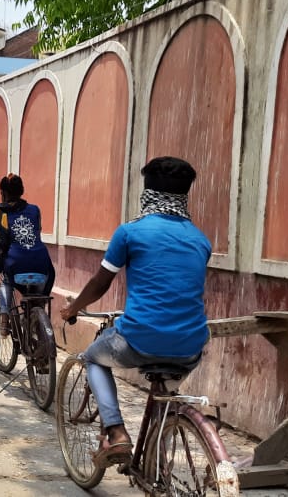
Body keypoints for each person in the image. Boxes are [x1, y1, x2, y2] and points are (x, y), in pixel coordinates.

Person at [59, 156, 210, 469]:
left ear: (148, 193)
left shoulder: (130, 233)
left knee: (91, 358)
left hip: (138, 340)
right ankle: (158, 458)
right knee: (167, 391)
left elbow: (101, 283)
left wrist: (73, 308)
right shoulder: (200, 240)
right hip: (192, 346)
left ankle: (114, 432)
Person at [0, 174, 55, 336]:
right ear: (21, 191)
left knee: (6, 282)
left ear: (3, 193)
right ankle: (39, 313)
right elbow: (37, 231)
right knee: (45, 280)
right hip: (41, 261)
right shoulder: (35, 210)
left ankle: (4, 319)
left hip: (15, 263)